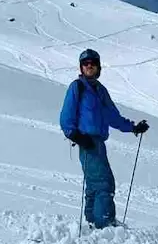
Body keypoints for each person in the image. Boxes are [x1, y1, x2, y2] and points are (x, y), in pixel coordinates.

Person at [59, 48, 149, 229]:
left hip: (98, 142)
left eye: (93, 63)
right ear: (81, 67)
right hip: (87, 141)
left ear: (99, 67)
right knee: (104, 182)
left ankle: (93, 221)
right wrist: (76, 136)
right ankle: (105, 224)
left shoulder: (101, 91)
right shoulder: (77, 87)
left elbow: (113, 117)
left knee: (94, 184)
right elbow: (65, 117)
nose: (89, 66)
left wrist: (133, 127)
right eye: (85, 63)